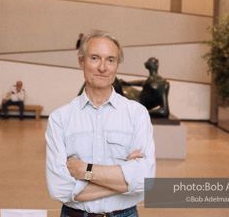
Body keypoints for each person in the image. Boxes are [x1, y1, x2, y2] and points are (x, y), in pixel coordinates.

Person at [45, 31, 156, 216]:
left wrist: (84, 171)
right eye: (95, 58)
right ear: (81, 62)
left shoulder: (137, 114)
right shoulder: (60, 118)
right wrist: (125, 179)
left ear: (117, 65)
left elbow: (146, 181)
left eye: (110, 60)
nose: (103, 67)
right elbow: (60, 189)